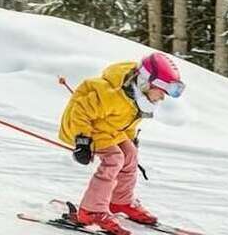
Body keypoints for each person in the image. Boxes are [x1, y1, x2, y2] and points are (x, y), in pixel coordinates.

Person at [59, 53, 185, 235]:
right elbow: (80, 111)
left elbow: (128, 122)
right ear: (145, 83)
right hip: (85, 129)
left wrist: (131, 140)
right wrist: (82, 141)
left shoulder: (139, 97)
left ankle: (120, 201)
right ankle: (91, 210)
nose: (163, 97)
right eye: (161, 91)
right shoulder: (112, 94)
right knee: (114, 158)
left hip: (109, 130)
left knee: (130, 154)